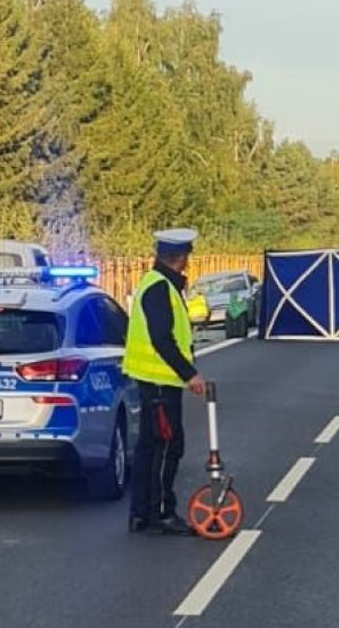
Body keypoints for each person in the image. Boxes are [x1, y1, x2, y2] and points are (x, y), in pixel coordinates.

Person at [124, 228, 207, 536]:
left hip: (153, 381)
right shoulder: (160, 288)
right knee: (167, 445)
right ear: (181, 258)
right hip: (160, 382)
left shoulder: (155, 283)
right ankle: (161, 512)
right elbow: (162, 338)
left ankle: (141, 514)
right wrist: (190, 374)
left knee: (149, 447)